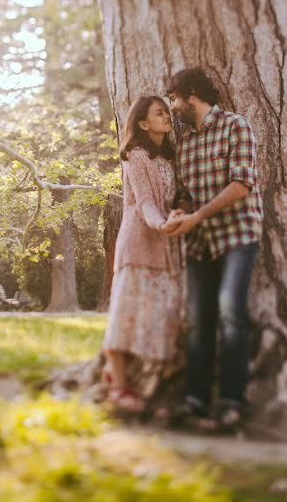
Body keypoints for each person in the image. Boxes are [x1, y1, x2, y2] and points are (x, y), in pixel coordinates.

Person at [161, 67, 263, 431]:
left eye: (173, 98)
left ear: (191, 94)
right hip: (200, 240)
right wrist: (180, 212)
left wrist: (198, 215)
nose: (171, 106)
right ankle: (195, 400)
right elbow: (186, 194)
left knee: (231, 312)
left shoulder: (237, 125)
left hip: (237, 233)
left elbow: (241, 184)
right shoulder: (185, 142)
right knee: (198, 322)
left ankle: (233, 402)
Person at [101, 95, 185, 414]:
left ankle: (138, 384)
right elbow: (146, 201)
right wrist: (162, 224)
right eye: (159, 113)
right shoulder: (135, 156)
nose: (166, 117)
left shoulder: (169, 159)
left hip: (163, 245)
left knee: (155, 320)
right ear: (143, 123)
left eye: (167, 112)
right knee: (125, 317)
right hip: (137, 242)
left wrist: (177, 215)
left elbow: (174, 197)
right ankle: (119, 387)